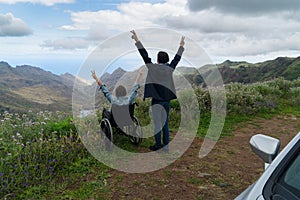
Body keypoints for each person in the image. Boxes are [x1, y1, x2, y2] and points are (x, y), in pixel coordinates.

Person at [131, 30, 185, 151]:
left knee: (157, 124)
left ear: (158, 59)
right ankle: (166, 147)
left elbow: (144, 55)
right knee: (165, 124)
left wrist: (137, 40)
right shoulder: (170, 68)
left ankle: (157, 145)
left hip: (156, 101)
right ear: (166, 60)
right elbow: (177, 59)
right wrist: (181, 46)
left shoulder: (152, 68)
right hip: (167, 101)